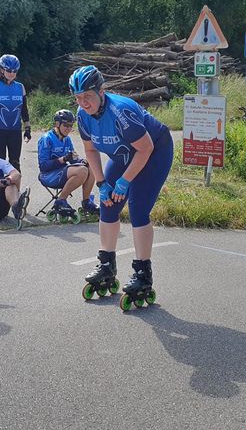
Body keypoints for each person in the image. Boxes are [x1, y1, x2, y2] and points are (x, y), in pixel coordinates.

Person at [70, 65, 174, 309]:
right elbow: (90, 150)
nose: (83, 103)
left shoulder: (121, 111)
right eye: (78, 97)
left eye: (88, 96)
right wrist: (101, 183)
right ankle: (106, 265)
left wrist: (124, 181)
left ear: (101, 91)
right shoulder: (82, 115)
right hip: (124, 155)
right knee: (107, 206)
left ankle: (142, 274)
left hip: (153, 152)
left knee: (138, 209)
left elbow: (145, 149)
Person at [37, 109, 100, 217]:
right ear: (57, 124)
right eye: (66, 125)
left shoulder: (67, 140)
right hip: (48, 175)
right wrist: (63, 159)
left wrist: (81, 161)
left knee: (91, 166)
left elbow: (73, 159)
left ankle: (86, 202)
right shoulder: (46, 139)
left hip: (62, 172)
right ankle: (60, 201)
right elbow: (43, 166)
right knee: (82, 171)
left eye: (71, 125)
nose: (69, 128)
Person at [0, 54, 30, 172]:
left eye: (15, 71)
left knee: (15, 163)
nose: (12, 73)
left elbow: (24, 110)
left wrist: (27, 128)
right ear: (2, 70)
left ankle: (15, 184)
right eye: (9, 70)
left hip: (15, 130)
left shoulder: (20, 87)